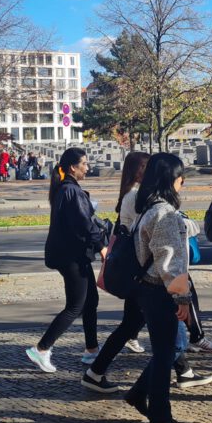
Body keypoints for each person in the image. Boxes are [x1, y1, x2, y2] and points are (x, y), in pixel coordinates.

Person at [123, 153, 196, 423]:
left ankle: (142, 396)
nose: (183, 183)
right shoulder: (164, 213)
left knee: (166, 351)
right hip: (159, 290)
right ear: (171, 180)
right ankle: (160, 417)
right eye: (180, 178)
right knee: (166, 353)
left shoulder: (148, 206)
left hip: (148, 288)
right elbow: (170, 263)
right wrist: (182, 300)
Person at [26, 147, 108, 373]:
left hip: (71, 254)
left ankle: (92, 351)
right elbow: (83, 223)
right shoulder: (71, 190)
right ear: (73, 167)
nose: (87, 168)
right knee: (75, 306)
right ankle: (41, 349)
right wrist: (102, 247)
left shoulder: (66, 189)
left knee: (90, 301)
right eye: (84, 164)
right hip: (71, 256)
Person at [81, 151, 151, 393]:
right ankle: (96, 371)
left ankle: (96, 371)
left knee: (134, 322)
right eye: (145, 166)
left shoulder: (131, 193)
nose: (148, 170)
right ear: (136, 169)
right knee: (147, 321)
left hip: (136, 267)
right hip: (140, 267)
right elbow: (143, 230)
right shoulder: (134, 194)